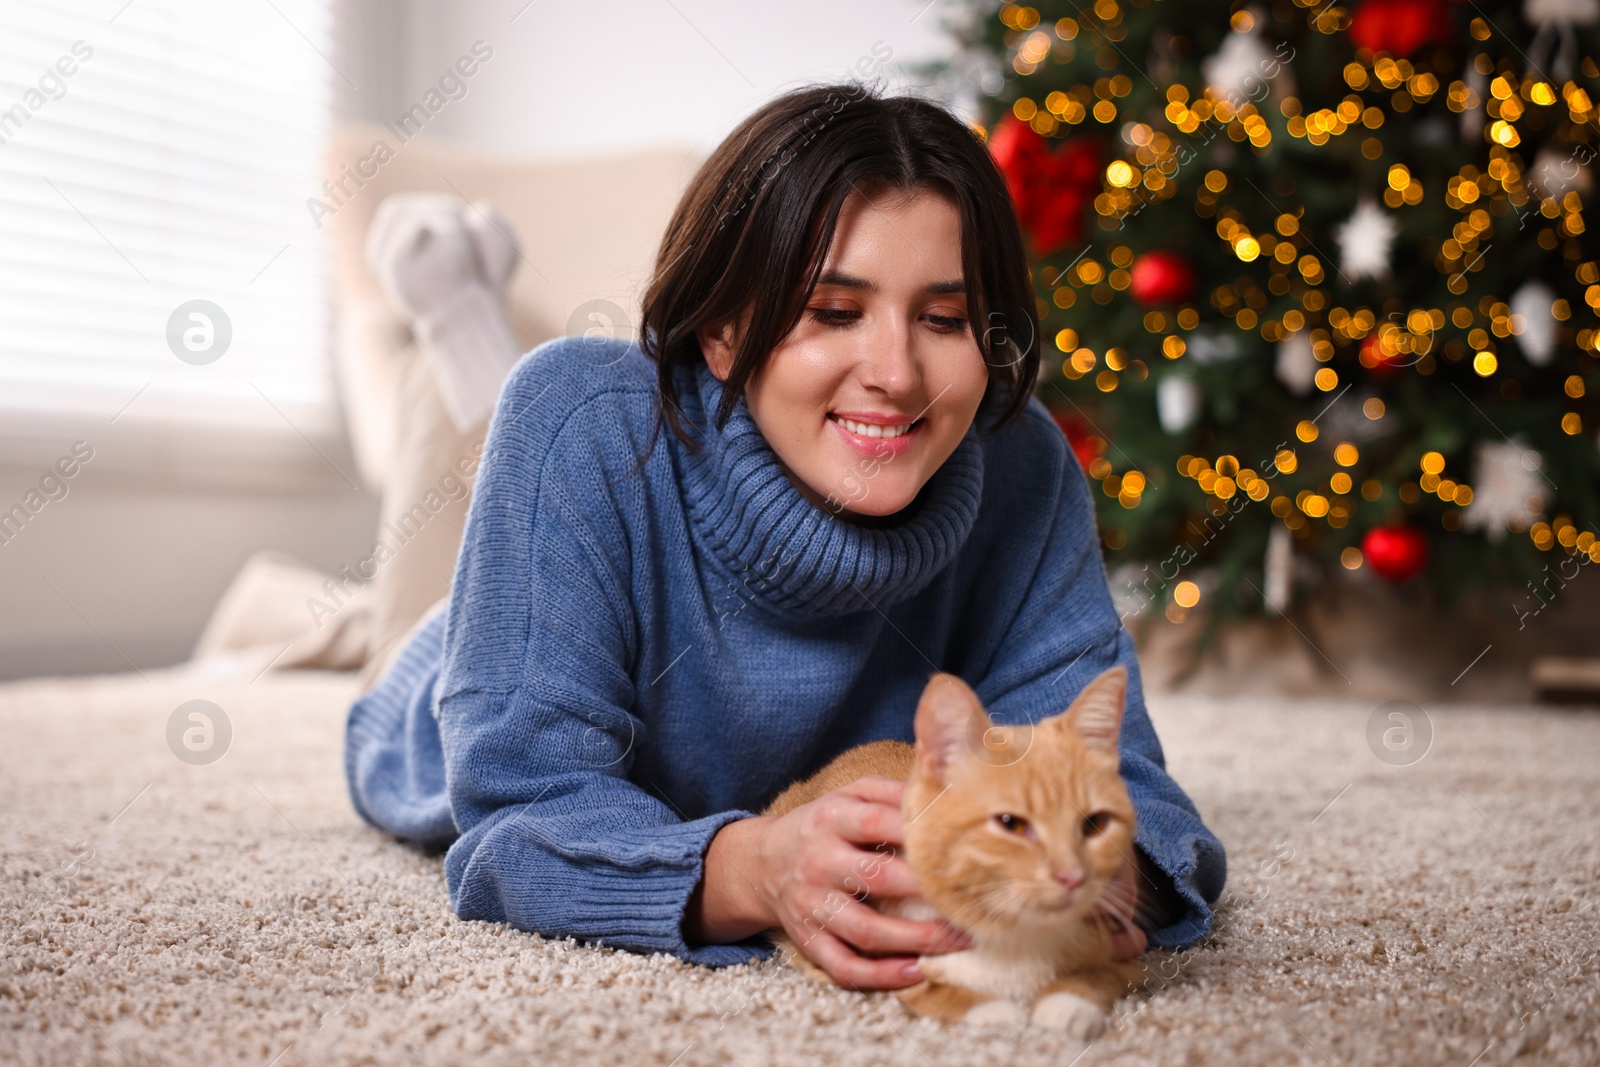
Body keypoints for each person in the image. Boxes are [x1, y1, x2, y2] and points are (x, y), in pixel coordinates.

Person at [343, 81, 1227, 991]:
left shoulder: (1025, 461)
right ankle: (459, 315)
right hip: (445, 674)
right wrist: (753, 868)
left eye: (945, 318)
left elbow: (1130, 792)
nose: (896, 373)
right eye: (834, 313)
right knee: (496, 429)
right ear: (723, 333)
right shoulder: (578, 424)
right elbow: (516, 820)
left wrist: (1110, 878)